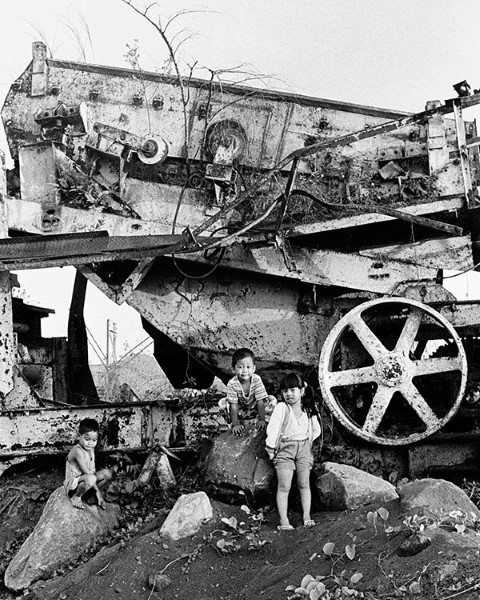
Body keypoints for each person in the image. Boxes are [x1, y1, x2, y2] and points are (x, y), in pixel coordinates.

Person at [265, 372, 321, 530]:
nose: (288, 394)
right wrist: (270, 449)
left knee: (304, 484)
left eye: (292, 390)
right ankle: (284, 521)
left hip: (303, 449)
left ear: (301, 391)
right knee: (284, 486)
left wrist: (307, 443)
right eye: (285, 391)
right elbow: (273, 428)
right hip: (285, 450)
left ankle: (307, 516)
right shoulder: (282, 408)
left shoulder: (308, 409)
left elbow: (315, 429)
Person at [219, 348, 276, 437]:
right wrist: (235, 425)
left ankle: (262, 421)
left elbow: (260, 401)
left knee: (272, 400)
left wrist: (262, 420)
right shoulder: (232, 383)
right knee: (223, 404)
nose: (245, 370)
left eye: (248, 367)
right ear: (233, 369)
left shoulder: (256, 380)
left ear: (254, 368)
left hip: (254, 408)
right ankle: (235, 425)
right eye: (240, 367)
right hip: (241, 411)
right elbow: (233, 405)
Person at [64, 418, 112, 510]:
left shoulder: (90, 449)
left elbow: (91, 474)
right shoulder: (78, 451)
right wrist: (99, 493)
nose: (90, 443)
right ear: (79, 436)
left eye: (94, 440)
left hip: (87, 482)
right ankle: (76, 497)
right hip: (74, 486)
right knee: (91, 478)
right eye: (87, 439)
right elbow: (87, 474)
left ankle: (90, 497)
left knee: (108, 474)